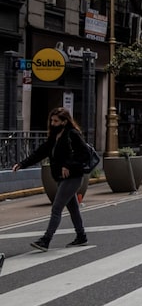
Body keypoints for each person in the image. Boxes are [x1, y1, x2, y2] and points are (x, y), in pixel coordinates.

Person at [11, 107, 90, 251]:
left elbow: (84, 154)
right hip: (60, 177)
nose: (52, 124)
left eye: (56, 121)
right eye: (51, 120)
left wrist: (68, 165)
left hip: (73, 177)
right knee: (73, 208)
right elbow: (40, 153)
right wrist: (22, 164)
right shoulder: (54, 137)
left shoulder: (72, 134)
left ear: (64, 122)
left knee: (57, 207)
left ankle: (46, 240)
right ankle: (81, 236)